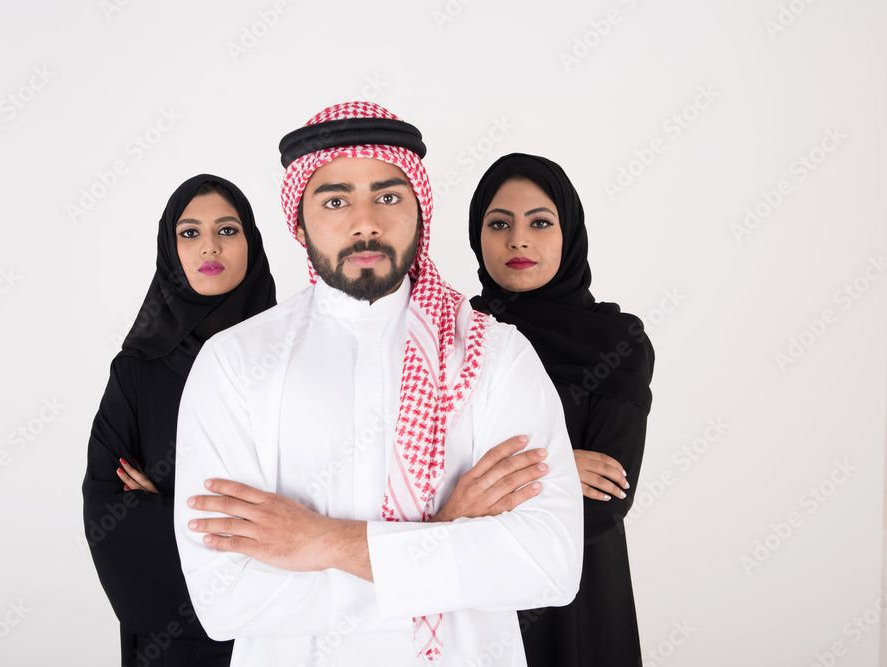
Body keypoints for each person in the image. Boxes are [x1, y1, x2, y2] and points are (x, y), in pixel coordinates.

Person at [173, 102, 584, 667]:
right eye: (336, 200)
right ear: (298, 221)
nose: (365, 221)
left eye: (388, 197)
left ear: (420, 211)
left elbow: (550, 565)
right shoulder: (235, 364)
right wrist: (445, 539)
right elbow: (225, 603)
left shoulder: (496, 355)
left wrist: (320, 543)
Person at [467, 153, 654, 667]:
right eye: (499, 223)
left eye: (540, 223)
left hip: (579, 587)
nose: (518, 240)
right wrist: (558, 465)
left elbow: (606, 500)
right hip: (469, 590)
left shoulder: (618, 342)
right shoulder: (456, 335)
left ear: (569, 233)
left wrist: (481, 487)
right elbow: (418, 476)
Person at [82, 174, 277, 667]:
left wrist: (170, 511)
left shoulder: (292, 355)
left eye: (227, 230)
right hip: (171, 644)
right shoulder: (138, 369)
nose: (209, 246)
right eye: (189, 233)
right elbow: (109, 516)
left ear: (251, 243)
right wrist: (252, 535)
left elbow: (324, 502)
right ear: (170, 249)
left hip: (284, 630)